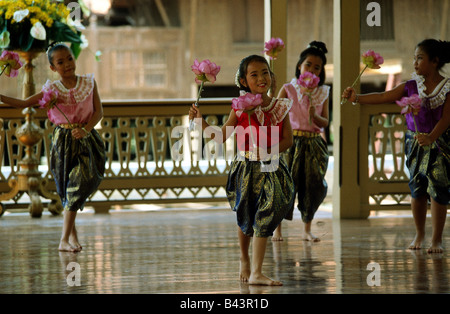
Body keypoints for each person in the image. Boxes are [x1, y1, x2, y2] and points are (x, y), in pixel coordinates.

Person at [189, 54, 294, 286]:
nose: (261, 78)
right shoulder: (239, 107)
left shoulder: (280, 107)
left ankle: (257, 271)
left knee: (266, 214)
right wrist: (200, 122)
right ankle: (245, 259)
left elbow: (288, 140)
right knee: (245, 214)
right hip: (246, 167)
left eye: (265, 72)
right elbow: (221, 136)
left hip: (271, 167)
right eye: (254, 74)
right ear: (244, 81)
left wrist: (270, 149)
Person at [342, 39, 450, 253]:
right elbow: (384, 96)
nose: (415, 62)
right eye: (414, 58)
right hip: (414, 143)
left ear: (435, 61)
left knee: (438, 189)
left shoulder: (447, 87)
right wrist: (357, 98)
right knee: (417, 188)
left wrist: (431, 137)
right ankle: (420, 233)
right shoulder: (411, 86)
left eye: (420, 58)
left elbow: (447, 119)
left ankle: (436, 239)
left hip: (439, 144)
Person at [0, 43, 106, 252]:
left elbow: (98, 113)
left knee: (80, 183)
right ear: (52, 67)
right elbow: (24, 104)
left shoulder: (88, 83)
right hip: (63, 142)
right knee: (68, 190)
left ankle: (63, 239)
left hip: (87, 140)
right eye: (60, 62)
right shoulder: (52, 90)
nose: (67, 64)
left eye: (69, 59)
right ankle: (71, 238)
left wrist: (85, 130)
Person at [273, 41, 330, 242]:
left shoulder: (323, 92)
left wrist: (314, 115)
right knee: (285, 184)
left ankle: (306, 229)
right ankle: (277, 230)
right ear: (299, 66)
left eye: (317, 67)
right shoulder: (288, 88)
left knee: (312, 186)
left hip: (313, 143)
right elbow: (275, 113)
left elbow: (325, 121)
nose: (312, 70)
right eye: (308, 65)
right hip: (290, 143)